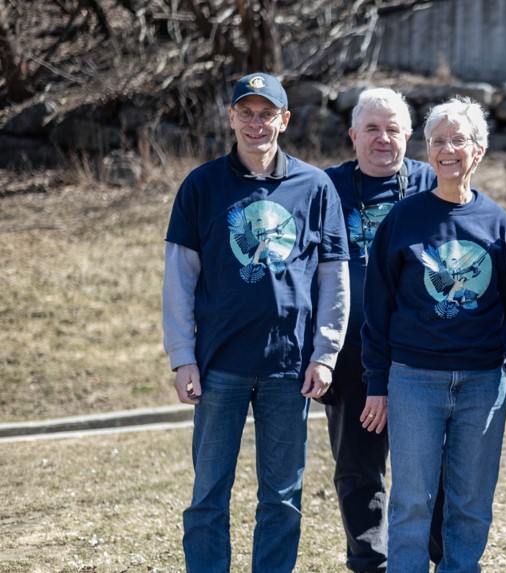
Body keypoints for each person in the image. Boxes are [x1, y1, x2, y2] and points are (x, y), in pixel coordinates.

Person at [162, 72, 350, 572]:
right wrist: (182, 358)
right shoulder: (201, 186)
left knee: (282, 498)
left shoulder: (315, 187)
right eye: (245, 112)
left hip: (289, 368)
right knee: (208, 495)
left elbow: (334, 278)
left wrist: (325, 354)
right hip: (219, 363)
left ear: (284, 120)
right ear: (230, 118)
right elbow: (179, 279)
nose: (255, 122)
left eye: (266, 113)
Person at [360, 97, 506, 572]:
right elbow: (377, 307)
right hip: (414, 380)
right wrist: (377, 381)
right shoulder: (402, 220)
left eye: (458, 140)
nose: (447, 150)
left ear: (480, 149)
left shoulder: (499, 224)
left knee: (470, 502)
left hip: (482, 382)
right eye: (437, 141)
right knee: (412, 500)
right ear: (427, 151)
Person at [322, 87, 439, 573]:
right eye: (371, 128)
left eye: (393, 128)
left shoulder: (433, 182)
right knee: (357, 467)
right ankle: (371, 561)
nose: (383, 138)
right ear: (352, 135)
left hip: (421, 354)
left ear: (409, 136)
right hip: (351, 355)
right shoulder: (325, 189)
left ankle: (442, 556)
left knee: (433, 468)